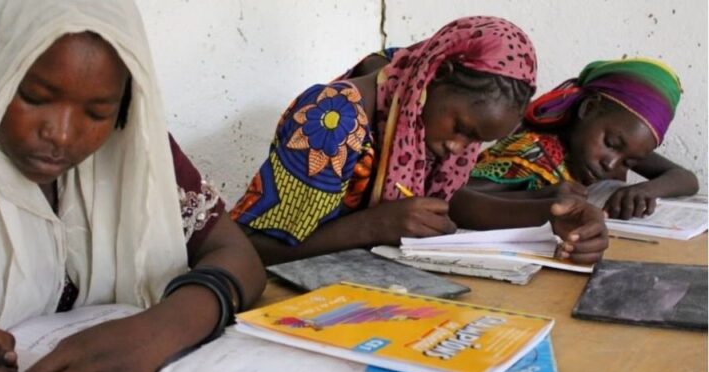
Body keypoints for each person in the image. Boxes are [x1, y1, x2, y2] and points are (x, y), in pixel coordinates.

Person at [0, 0, 265, 372]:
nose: (60, 133)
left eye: (96, 112)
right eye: (34, 97)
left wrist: (155, 333)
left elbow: (235, 253)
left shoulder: (131, 145)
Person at [231, 16, 608, 266]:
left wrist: (550, 216)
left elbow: (444, 205)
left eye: (475, 141)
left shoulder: (418, 110)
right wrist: (372, 226)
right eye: (461, 128)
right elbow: (249, 247)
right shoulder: (333, 119)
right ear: (436, 75)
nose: (460, 149)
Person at [469, 58, 698, 220]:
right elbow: (457, 197)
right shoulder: (530, 151)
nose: (612, 164)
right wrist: (541, 198)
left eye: (628, 162)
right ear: (588, 108)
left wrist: (645, 191)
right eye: (610, 144)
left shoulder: (621, 149)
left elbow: (686, 179)